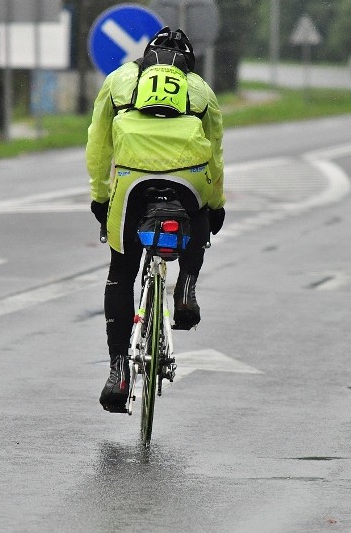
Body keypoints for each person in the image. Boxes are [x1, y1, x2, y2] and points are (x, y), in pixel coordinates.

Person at [85, 27, 226, 413]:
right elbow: (214, 156)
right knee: (199, 211)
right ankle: (186, 288)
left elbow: (98, 145)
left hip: (132, 181)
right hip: (188, 178)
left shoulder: (118, 81)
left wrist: (100, 196)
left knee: (121, 271)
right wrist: (215, 204)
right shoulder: (201, 91)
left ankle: (118, 371)